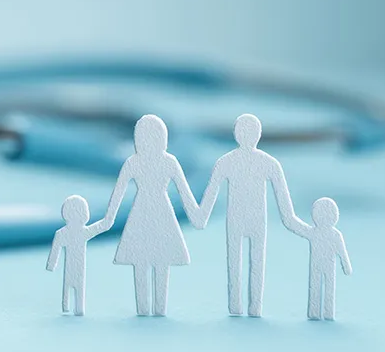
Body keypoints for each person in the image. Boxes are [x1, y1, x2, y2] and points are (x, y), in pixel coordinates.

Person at [95, 115, 201, 316]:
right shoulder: (135, 162)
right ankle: (145, 308)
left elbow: (184, 192)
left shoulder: (166, 162)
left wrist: (195, 213)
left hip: (155, 212)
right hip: (146, 212)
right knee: (143, 261)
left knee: (158, 261)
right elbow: (118, 192)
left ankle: (158, 307)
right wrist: (108, 218)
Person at [197, 114, 297, 317]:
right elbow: (285, 205)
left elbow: (209, 196)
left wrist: (201, 216)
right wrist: (292, 222)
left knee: (241, 262)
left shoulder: (229, 161)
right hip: (249, 220)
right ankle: (249, 307)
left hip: (244, 219)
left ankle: (244, 306)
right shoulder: (266, 163)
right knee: (253, 262)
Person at [286, 197, 352, 320]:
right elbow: (297, 227)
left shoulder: (333, 234)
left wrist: (346, 265)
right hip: (317, 266)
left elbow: (342, 252)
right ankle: (316, 312)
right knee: (318, 287)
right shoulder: (318, 233)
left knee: (326, 287)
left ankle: (324, 313)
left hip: (326, 267)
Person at [46, 195, 108, 316]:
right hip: (74, 268)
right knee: (73, 287)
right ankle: (69, 307)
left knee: (73, 287)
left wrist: (52, 265)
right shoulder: (71, 233)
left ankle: (69, 307)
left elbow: (102, 226)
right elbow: (55, 250)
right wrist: (51, 265)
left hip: (75, 268)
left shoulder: (67, 233)